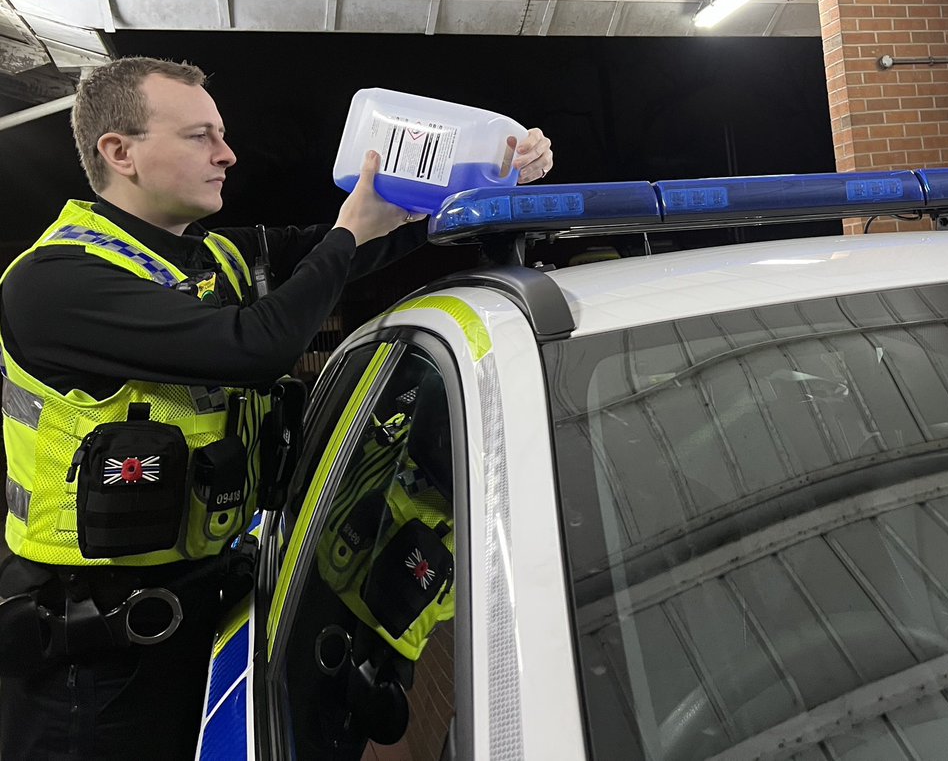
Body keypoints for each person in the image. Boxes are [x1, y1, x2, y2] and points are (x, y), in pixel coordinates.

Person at [0, 56, 552, 760]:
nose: (227, 153)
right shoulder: (55, 284)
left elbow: (354, 250)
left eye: (222, 134)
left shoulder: (210, 257)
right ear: (120, 152)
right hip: (94, 663)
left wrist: (499, 172)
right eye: (202, 135)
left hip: (207, 615)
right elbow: (256, 345)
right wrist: (350, 232)